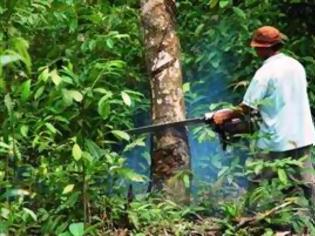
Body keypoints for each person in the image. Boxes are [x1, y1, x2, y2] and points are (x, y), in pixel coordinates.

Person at [212, 26, 315, 208]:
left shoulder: (265, 73)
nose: (255, 50)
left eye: (257, 47)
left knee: (258, 178)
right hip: (302, 133)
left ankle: (249, 216)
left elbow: (246, 107)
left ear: (265, 48)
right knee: (306, 181)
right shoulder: (295, 65)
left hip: (276, 137)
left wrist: (224, 114)